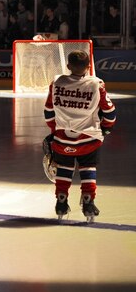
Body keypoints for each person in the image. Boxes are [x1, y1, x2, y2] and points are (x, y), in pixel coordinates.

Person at [44, 50, 117, 222]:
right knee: (88, 167)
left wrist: (55, 131)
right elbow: (110, 113)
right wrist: (106, 130)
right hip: (89, 140)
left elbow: (48, 113)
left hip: (62, 139)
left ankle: (61, 200)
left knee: (64, 168)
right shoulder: (96, 84)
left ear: (68, 66)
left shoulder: (56, 82)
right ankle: (88, 201)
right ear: (89, 66)